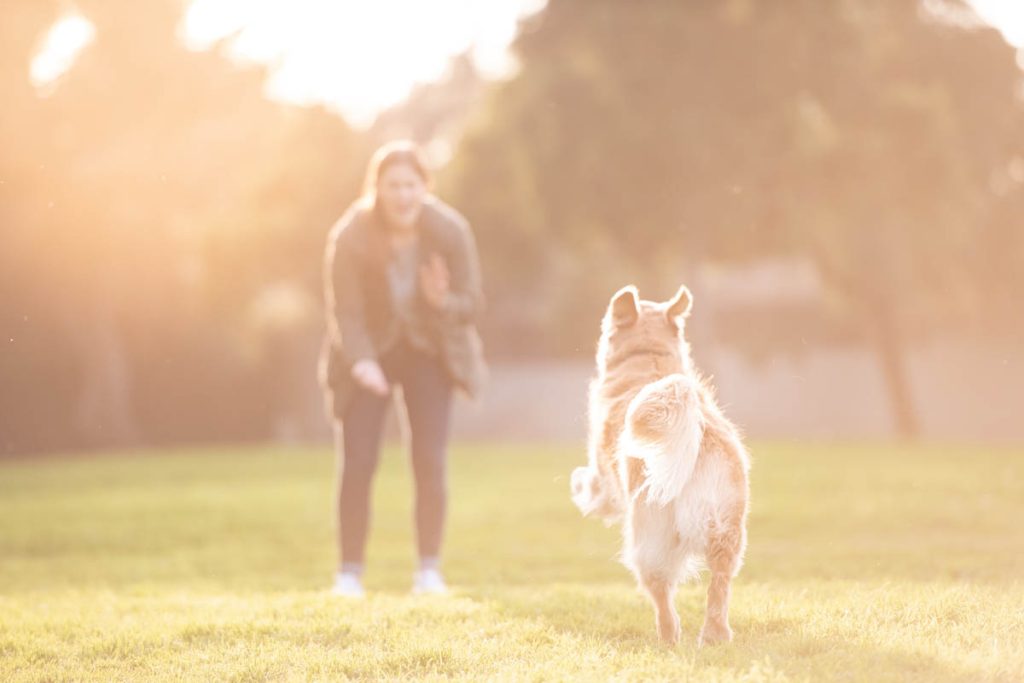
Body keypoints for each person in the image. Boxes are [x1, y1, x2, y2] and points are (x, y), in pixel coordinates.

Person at [319, 141, 485, 597]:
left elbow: (472, 303)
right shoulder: (350, 234)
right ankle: (348, 575)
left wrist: (441, 301)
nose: (403, 196)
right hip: (366, 353)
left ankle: (428, 572)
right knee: (358, 463)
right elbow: (345, 312)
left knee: (429, 459)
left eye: (411, 185)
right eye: (393, 186)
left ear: (425, 187)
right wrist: (363, 361)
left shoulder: (451, 231)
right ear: (377, 188)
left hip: (429, 350)